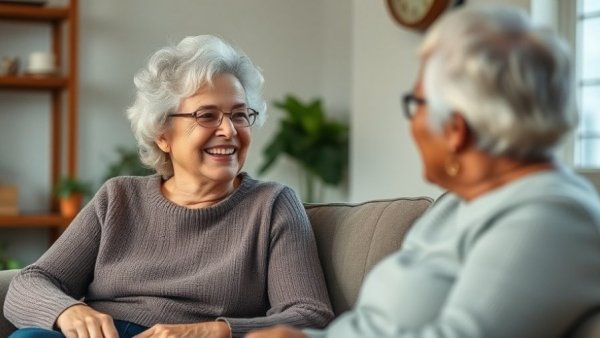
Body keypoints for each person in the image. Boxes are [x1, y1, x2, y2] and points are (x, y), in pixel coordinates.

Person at [246, 5, 600, 338]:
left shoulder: (550, 218)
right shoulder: (459, 205)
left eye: (416, 104)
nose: (412, 121)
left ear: (456, 128)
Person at [4, 35, 333, 338]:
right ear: (162, 134)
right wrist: (69, 310)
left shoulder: (272, 205)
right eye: (207, 116)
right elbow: (30, 282)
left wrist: (209, 332)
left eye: (238, 115)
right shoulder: (118, 198)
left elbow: (310, 315)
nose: (229, 131)